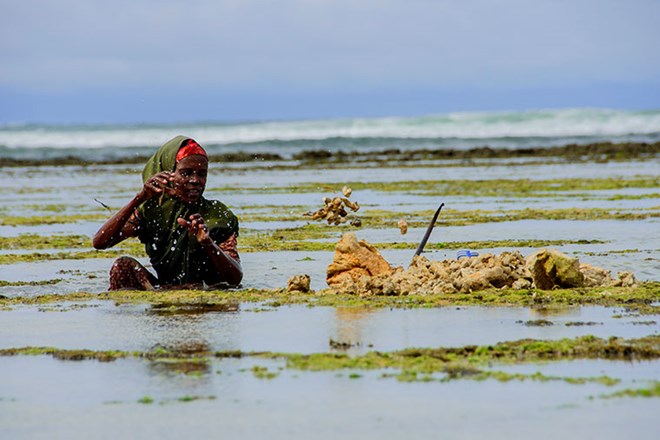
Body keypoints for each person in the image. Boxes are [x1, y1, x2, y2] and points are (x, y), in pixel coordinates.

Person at [93, 135, 242, 290]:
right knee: (122, 266)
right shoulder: (150, 212)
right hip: (167, 290)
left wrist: (208, 243)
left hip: (210, 296)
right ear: (167, 173)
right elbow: (100, 242)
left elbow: (235, 279)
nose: (195, 180)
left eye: (201, 174)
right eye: (186, 173)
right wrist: (139, 198)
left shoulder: (217, 214)